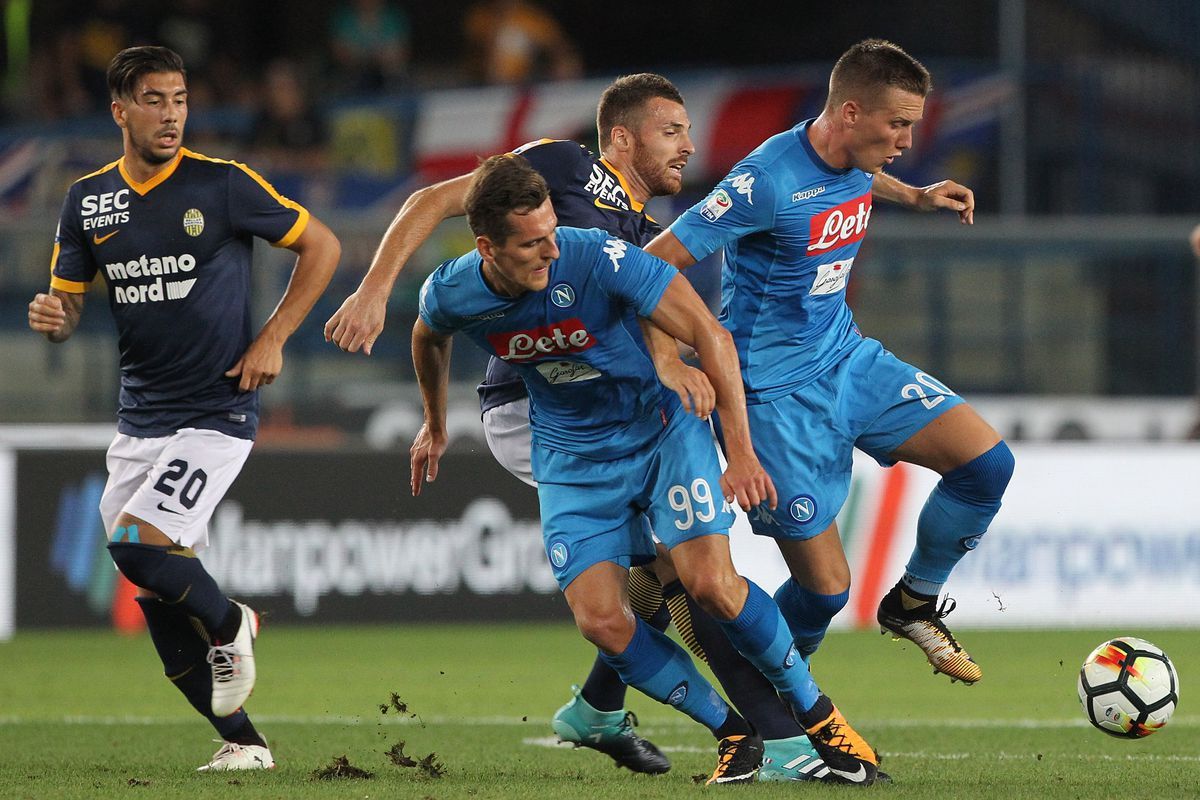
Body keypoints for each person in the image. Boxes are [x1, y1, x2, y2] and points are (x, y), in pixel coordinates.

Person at [326, 73, 858, 782]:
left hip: (622, 410)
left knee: (663, 586)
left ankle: (605, 708)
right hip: (535, 408)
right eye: (673, 131)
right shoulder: (559, 167)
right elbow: (431, 204)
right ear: (621, 137)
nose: (688, 147)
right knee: (682, 576)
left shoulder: (637, 236)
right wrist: (374, 288)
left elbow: (668, 307)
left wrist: (674, 361)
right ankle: (778, 739)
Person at [644, 38, 1015, 686]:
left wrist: (918, 195)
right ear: (849, 112)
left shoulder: (857, 156)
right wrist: (669, 362)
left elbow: (860, 177)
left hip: (847, 359)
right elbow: (650, 265)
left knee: (987, 465)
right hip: (774, 399)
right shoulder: (765, 180)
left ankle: (913, 603)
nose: (906, 139)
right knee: (824, 593)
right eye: (897, 124)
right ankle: (776, 701)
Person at [27, 46, 341, 772]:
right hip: (140, 419)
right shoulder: (87, 201)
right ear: (120, 110)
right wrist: (55, 317)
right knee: (155, 596)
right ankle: (244, 745)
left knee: (136, 546)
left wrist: (273, 338)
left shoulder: (222, 185)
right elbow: (69, 305)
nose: (171, 114)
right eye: (154, 100)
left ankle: (236, 621)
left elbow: (319, 245)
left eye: (179, 99)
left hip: (217, 410)